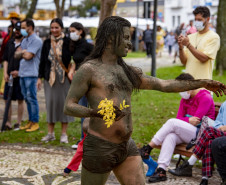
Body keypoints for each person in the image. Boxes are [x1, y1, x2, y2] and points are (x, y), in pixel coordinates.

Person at [63, 16, 226, 185]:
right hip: (100, 147)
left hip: (126, 146)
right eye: (126, 38)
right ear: (111, 37)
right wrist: (94, 113)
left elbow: (164, 84)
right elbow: (69, 106)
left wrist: (203, 83)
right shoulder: (89, 70)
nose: (129, 43)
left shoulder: (128, 71)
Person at [139, 73, 215, 183]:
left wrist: (187, 120)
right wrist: (188, 120)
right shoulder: (185, 99)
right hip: (189, 133)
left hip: (201, 135)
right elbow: (179, 118)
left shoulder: (205, 98)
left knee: (172, 122)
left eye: (181, 88)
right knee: (170, 136)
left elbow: (194, 122)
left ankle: (148, 148)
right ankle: (161, 170)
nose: (180, 92)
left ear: (189, 86)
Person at [168, 100, 226, 185]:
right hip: (221, 134)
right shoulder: (224, 104)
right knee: (210, 141)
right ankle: (204, 179)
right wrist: (220, 126)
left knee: (209, 131)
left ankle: (189, 164)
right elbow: (217, 122)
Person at [37, 18, 74, 143]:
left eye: (56, 27)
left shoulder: (69, 42)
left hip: (64, 78)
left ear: (62, 28)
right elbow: (42, 61)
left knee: (64, 104)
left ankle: (64, 134)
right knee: (50, 104)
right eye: (52, 28)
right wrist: (39, 78)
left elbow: (74, 58)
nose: (54, 30)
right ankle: (50, 133)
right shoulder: (47, 42)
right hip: (50, 78)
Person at [68, 22, 93, 148]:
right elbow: (75, 60)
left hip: (87, 81)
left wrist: (82, 70)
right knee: (82, 110)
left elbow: (94, 61)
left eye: (73, 30)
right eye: (70, 31)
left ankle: (86, 140)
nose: (71, 33)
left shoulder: (87, 46)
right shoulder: (75, 45)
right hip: (78, 81)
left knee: (85, 109)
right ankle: (83, 139)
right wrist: (72, 70)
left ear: (80, 31)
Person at [15, 19, 42, 132]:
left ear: (30, 27)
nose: (21, 29)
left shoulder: (36, 40)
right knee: (26, 98)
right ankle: (30, 121)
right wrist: (23, 52)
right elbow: (16, 54)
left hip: (31, 73)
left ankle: (35, 122)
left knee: (32, 98)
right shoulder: (25, 40)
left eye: (23, 27)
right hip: (22, 73)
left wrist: (23, 52)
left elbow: (29, 56)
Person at [178, 6, 220, 80]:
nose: (197, 22)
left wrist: (188, 45)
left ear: (208, 19)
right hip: (188, 84)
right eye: (195, 19)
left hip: (203, 85)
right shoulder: (190, 37)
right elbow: (184, 62)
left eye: (200, 20)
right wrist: (181, 47)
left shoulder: (214, 37)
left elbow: (204, 58)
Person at [3, 21, 24, 130]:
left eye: (19, 30)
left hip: (21, 76)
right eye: (16, 29)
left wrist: (19, 72)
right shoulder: (10, 43)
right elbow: (5, 59)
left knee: (20, 99)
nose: (17, 32)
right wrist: (5, 73)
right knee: (7, 99)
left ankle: (18, 123)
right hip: (9, 75)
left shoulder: (25, 43)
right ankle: (8, 122)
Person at [0, 12, 20, 96]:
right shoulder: (11, 29)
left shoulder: (19, 29)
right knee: (6, 72)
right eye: (12, 19)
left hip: (16, 54)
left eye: (14, 18)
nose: (12, 20)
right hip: (8, 51)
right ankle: (3, 89)